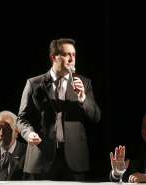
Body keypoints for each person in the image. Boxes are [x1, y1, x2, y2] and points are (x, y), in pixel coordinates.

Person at [17, 37, 101, 181]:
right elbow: (22, 118)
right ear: (53, 57)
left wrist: (82, 97)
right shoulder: (34, 83)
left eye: (73, 55)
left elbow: (96, 117)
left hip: (75, 157)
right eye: (66, 54)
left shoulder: (84, 83)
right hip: (42, 156)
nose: (71, 59)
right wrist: (28, 133)